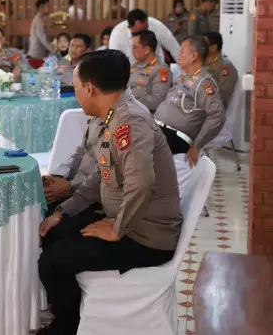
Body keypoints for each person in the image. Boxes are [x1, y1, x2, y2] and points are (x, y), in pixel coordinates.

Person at [37, 49, 182, 335]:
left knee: (52, 263)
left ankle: (66, 327)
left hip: (146, 237)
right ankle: (72, 311)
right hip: (129, 221)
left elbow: (141, 183)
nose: (77, 94)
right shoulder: (114, 114)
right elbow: (100, 177)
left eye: (77, 88)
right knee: (53, 232)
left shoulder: (130, 122)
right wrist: (63, 211)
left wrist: (117, 228)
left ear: (90, 88)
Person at [154, 36, 225, 166]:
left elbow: (217, 115)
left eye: (182, 52)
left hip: (174, 137)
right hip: (159, 131)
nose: (178, 56)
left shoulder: (204, 83)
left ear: (193, 56)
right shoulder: (183, 78)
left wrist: (197, 145)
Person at [109, 9, 180, 65]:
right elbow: (114, 62)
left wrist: (185, 74)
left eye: (145, 30)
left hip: (157, 70)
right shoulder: (117, 34)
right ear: (130, 27)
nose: (143, 35)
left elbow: (175, 49)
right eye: (139, 33)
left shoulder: (157, 26)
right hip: (131, 73)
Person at [128, 30, 172, 113]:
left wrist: (130, 98)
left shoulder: (161, 70)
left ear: (146, 49)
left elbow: (157, 102)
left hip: (144, 115)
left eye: (134, 47)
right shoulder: (135, 66)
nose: (132, 51)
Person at [203, 31, 239, 108]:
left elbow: (223, 96)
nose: (200, 47)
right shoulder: (200, 64)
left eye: (203, 45)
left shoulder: (225, 67)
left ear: (213, 48)